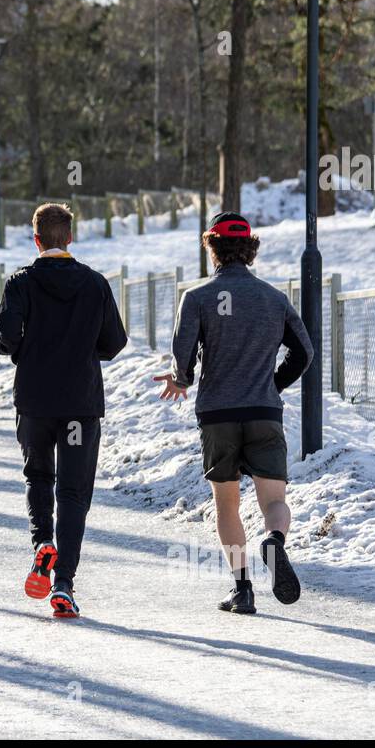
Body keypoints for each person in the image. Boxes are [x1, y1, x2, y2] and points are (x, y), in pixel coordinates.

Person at [154, 212, 313, 615]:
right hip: (263, 412)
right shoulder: (274, 299)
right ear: (250, 250)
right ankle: (274, 540)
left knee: (226, 506)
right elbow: (304, 353)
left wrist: (181, 379)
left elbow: (184, 353)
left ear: (213, 249)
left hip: (218, 413)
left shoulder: (197, 297)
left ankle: (242, 590)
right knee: (273, 501)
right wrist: (271, 385)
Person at [0, 203, 129, 619]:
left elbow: (6, 341)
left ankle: (42, 544)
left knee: (38, 476)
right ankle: (64, 584)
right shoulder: (94, 284)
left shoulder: (20, 283)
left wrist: (31, 351)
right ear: (70, 237)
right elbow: (114, 342)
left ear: (36, 239)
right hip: (79, 403)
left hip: (35, 400)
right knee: (73, 492)